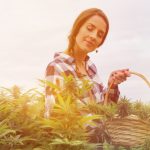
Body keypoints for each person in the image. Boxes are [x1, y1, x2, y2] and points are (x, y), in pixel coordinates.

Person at [44, 8, 130, 148]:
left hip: (99, 145)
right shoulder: (57, 67)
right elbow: (55, 118)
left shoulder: (91, 67)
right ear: (77, 28)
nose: (94, 36)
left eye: (100, 34)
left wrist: (112, 85)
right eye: (90, 28)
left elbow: (104, 109)